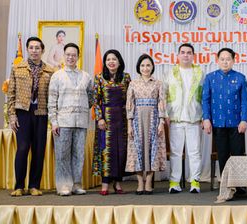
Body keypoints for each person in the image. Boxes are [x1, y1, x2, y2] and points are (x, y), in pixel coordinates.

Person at [7, 36, 55, 197]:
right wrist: (12, 116)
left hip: (41, 112)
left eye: (37, 48)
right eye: (31, 47)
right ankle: (19, 185)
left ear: (42, 51)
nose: (34, 50)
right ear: (27, 49)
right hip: (23, 113)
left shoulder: (50, 71)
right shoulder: (17, 68)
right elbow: (11, 94)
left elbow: (53, 96)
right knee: (22, 148)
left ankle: (34, 185)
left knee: (39, 150)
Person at [48, 43, 92, 196]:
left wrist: (81, 108)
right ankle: (63, 185)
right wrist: (54, 121)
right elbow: (52, 100)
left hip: (81, 122)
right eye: (68, 54)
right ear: (64, 56)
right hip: (62, 123)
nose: (71, 57)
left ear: (78, 57)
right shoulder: (57, 76)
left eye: (74, 55)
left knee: (78, 154)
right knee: (62, 154)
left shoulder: (86, 76)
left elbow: (90, 97)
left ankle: (76, 184)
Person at [202, 48, 247, 191]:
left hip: (236, 123)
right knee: (222, 154)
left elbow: (244, 101)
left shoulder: (240, 77)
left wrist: (244, 120)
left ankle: (239, 185)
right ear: (217, 60)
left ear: (234, 60)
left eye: (228, 59)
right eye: (222, 59)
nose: (225, 61)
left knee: (237, 154)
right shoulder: (210, 78)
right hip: (217, 122)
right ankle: (225, 183)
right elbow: (205, 100)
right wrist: (206, 119)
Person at [165, 43, 204, 194]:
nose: (186, 55)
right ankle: (174, 182)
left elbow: (204, 96)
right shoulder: (170, 73)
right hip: (175, 118)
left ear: (193, 56)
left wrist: (204, 116)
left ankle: (195, 181)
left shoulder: (200, 73)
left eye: (189, 53)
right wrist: (166, 115)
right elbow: (164, 95)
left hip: (194, 118)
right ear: (178, 55)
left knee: (194, 152)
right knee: (175, 152)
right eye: (183, 52)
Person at [126, 54, 167, 195]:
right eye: (142, 65)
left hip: (153, 119)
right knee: (137, 149)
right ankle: (139, 183)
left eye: (148, 65)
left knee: (152, 149)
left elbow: (162, 102)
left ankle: (149, 182)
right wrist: (130, 124)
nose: (145, 68)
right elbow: (129, 104)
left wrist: (161, 122)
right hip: (137, 119)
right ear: (139, 67)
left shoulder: (158, 83)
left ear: (152, 67)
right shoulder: (133, 83)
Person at [92, 49, 131, 195]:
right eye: (108, 59)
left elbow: (130, 100)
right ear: (105, 62)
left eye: (114, 59)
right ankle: (105, 184)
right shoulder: (100, 78)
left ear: (119, 61)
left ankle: (118, 183)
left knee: (121, 151)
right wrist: (99, 118)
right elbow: (95, 101)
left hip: (122, 119)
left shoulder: (126, 78)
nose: (111, 62)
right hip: (106, 119)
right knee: (106, 151)